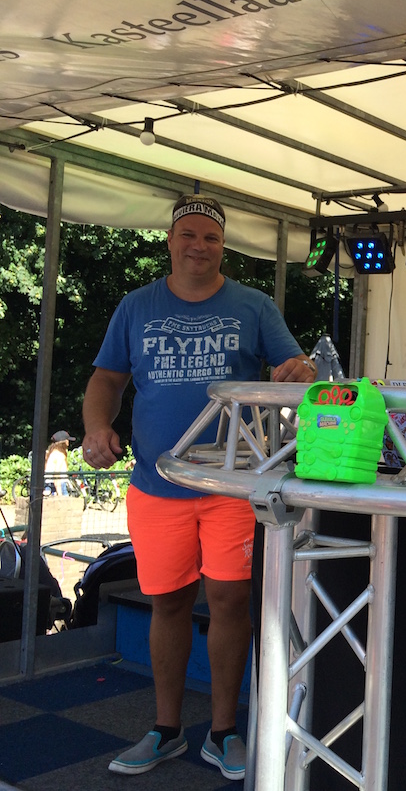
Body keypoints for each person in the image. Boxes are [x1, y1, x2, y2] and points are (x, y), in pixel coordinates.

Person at [82, 194, 316, 780]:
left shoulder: (253, 304)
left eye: (211, 237)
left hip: (232, 486)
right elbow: (107, 379)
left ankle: (222, 731)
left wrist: (301, 369)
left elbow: (300, 371)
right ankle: (166, 730)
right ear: (170, 240)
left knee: (231, 601)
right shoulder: (136, 306)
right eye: (188, 234)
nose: (199, 246)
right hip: (156, 483)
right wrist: (96, 427)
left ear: (222, 246)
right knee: (167, 601)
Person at [44, 430, 73, 495]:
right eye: (67, 440)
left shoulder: (51, 453)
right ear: (64, 442)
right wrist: (59, 493)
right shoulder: (60, 455)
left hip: (49, 484)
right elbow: (57, 474)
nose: (68, 442)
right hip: (59, 484)